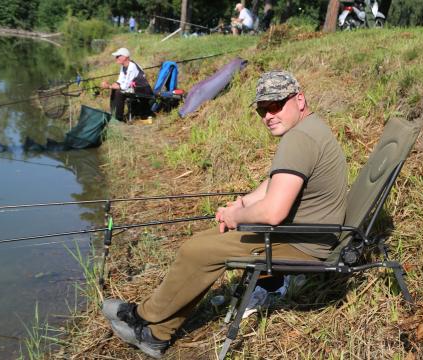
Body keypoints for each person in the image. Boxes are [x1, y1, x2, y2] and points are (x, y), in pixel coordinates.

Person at [102, 70, 348, 358]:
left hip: (302, 244)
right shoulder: (310, 129)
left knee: (196, 251)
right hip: (307, 233)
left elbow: (273, 212)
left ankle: (144, 318)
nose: (268, 115)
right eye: (261, 109)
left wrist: (237, 218)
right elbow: (274, 183)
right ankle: (158, 332)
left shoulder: (298, 141)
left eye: (275, 105)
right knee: (204, 242)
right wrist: (240, 205)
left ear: (300, 99)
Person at [100, 48, 152, 122]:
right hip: (135, 89)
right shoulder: (123, 66)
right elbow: (120, 81)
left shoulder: (132, 67)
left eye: (118, 56)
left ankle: (118, 118)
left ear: (125, 57)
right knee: (115, 90)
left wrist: (109, 86)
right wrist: (109, 85)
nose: (116, 58)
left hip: (143, 90)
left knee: (119, 92)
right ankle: (114, 114)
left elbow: (124, 86)